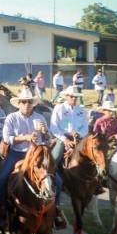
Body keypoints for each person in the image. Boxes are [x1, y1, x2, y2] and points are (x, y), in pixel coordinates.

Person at [0, 90, 52, 223]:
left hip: (36, 154)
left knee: (56, 180)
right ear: (18, 104)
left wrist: (45, 132)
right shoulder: (12, 117)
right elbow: (7, 138)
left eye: (29, 102)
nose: (27, 104)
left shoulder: (40, 118)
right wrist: (27, 137)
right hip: (17, 153)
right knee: (1, 178)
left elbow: (48, 140)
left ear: (33, 104)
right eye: (24, 102)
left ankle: (54, 211)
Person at [50, 85, 89, 222]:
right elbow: (54, 127)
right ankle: (51, 175)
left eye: (76, 97)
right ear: (66, 96)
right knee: (54, 159)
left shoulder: (81, 111)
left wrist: (79, 135)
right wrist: (65, 139)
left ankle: (99, 180)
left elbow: (85, 127)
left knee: (94, 155)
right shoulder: (59, 108)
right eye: (71, 96)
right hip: (62, 139)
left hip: (78, 139)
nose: (74, 99)